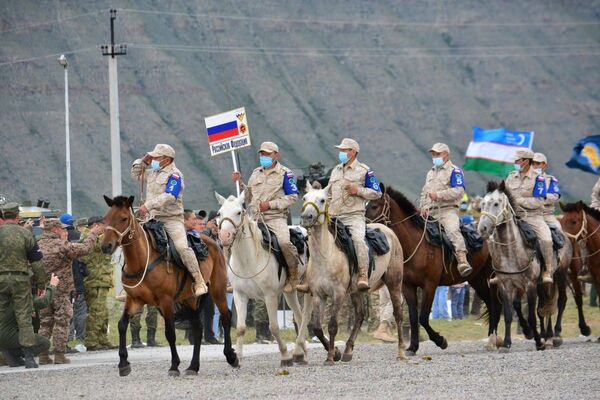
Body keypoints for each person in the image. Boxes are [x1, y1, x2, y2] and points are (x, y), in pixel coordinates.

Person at [304, 138, 381, 292]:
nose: (341, 153)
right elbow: (330, 194)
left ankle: (362, 274)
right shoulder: (336, 170)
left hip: (354, 216)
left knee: (358, 240)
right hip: (333, 216)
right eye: (341, 150)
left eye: (344, 150)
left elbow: (377, 193)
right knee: (311, 239)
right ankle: (308, 278)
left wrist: (357, 190)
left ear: (353, 152)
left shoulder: (365, 170)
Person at [132, 143, 207, 296]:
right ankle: (133, 284)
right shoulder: (153, 171)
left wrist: (148, 205)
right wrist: (143, 161)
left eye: (156, 157)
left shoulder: (175, 175)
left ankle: (199, 280)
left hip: (171, 219)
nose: (153, 158)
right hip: (150, 218)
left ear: (166, 159)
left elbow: (170, 195)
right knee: (133, 240)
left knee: (181, 247)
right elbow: (136, 175)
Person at [232, 141, 300, 293]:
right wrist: (240, 183)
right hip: (255, 218)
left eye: (267, 154)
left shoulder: (285, 173)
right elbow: (248, 196)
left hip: (275, 218)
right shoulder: (256, 173)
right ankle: (236, 277)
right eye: (262, 154)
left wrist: (270, 205)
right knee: (234, 238)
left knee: (283, 242)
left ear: (276, 155)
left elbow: (293, 197)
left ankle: (293, 274)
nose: (264, 156)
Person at [37, 219, 101, 365]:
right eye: (61, 228)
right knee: (61, 321)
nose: (64, 231)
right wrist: (92, 234)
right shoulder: (60, 245)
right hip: (61, 290)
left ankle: (43, 354)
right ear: (54, 229)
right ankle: (59, 354)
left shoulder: (37, 245)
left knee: (45, 323)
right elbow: (83, 249)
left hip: (43, 291)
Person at [0, 202, 46, 368]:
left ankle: (5, 354)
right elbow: (37, 263)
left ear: (4, 216)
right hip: (20, 280)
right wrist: (41, 284)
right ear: (17, 216)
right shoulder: (26, 235)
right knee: (24, 317)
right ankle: (28, 358)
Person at [499, 149, 553, 285]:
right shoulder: (511, 176)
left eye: (517, 160)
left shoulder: (539, 179)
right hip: (512, 216)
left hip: (533, 216)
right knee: (492, 236)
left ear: (526, 161)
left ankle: (547, 269)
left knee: (546, 239)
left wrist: (518, 201)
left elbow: (539, 200)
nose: (515, 162)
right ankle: (498, 270)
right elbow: (504, 195)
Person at [419, 143, 472, 277]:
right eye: (433, 154)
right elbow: (424, 192)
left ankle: (461, 259)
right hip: (430, 211)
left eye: (437, 154)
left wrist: (439, 195)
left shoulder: (455, 171)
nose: (434, 156)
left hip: (447, 210)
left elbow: (459, 191)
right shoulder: (430, 172)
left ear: (446, 155)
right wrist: (423, 206)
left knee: (453, 230)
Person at [0, 274, 59, 367]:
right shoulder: (22, 296)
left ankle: (9, 354)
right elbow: (43, 302)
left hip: (5, 333)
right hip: (8, 335)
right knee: (44, 343)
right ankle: (11, 354)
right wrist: (52, 285)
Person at [183, 209, 219, 344]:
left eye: (204, 224)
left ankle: (209, 335)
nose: (202, 226)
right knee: (195, 308)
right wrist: (209, 230)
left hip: (207, 278)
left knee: (209, 308)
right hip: (192, 279)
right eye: (199, 224)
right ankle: (193, 337)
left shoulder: (203, 237)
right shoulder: (187, 236)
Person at [82, 216, 116, 351]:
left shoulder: (99, 237)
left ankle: (102, 338)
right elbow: (98, 246)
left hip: (101, 279)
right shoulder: (87, 236)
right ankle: (91, 341)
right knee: (96, 311)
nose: (104, 229)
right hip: (93, 280)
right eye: (103, 226)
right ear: (96, 225)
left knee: (103, 311)